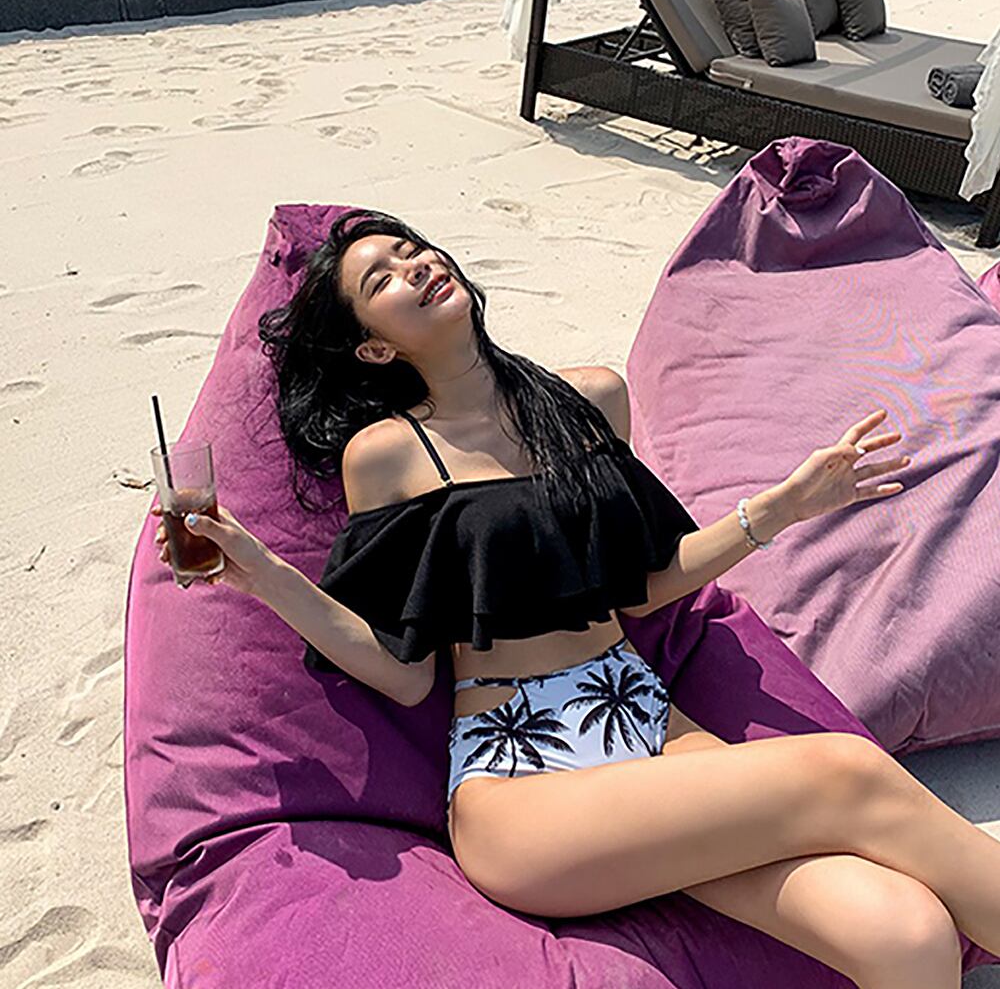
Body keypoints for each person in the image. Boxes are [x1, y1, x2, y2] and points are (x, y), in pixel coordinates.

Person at [152, 208, 1000, 988]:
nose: (416, 268)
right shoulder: (388, 455)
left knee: (907, 931)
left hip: (653, 730)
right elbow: (405, 674)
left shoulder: (589, 399)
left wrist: (782, 507)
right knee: (846, 769)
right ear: (375, 348)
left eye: (414, 251)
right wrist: (259, 571)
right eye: (384, 279)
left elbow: (645, 588)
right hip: (521, 784)